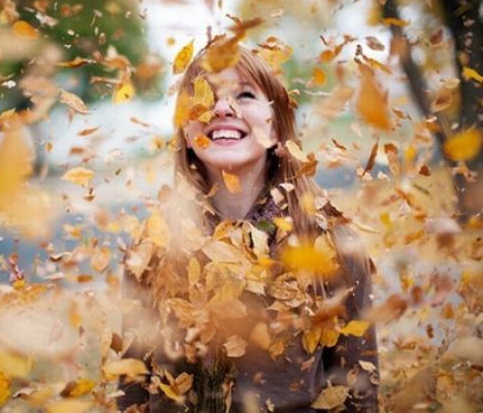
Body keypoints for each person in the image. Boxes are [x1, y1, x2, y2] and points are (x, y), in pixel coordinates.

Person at [117, 41, 379, 412]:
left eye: (244, 94)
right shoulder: (153, 246)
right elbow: (130, 389)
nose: (222, 108)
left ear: (275, 130)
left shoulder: (331, 244)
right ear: (188, 133)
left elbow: (359, 392)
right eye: (204, 95)